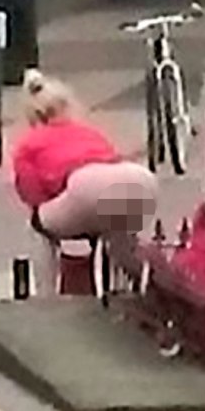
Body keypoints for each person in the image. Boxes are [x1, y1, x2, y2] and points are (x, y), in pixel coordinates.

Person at [12, 69, 158, 297]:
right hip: (139, 181)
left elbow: (33, 197)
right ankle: (145, 289)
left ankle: (46, 300)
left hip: (86, 186)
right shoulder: (90, 133)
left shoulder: (29, 144)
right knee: (119, 234)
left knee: (37, 226)